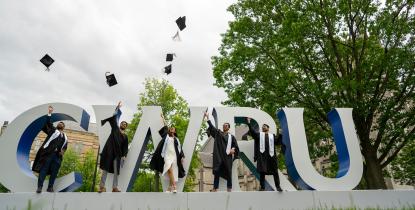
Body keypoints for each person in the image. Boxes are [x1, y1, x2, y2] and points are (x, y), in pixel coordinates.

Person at [32, 106, 68, 193]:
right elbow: (48, 122)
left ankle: (50, 187)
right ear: (57, 126)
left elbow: (65, 146)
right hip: (48, 154)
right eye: (59, 123)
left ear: (64, 127)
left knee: (54, 172)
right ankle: (40, 187)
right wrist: (50, 112)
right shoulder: (53, 130)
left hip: (57, 156)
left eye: (62, 124)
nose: (60, 123)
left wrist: (62, 151)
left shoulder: (65, 137)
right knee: (44, 169)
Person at [204, 111, 239, 192]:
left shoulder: (231, 137)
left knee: (228, 171)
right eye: (223, 125)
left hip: (227, 156)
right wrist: (208, 118)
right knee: (217, 171)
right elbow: (212, 127)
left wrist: (233, 149)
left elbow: (235, 146)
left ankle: (229, 188)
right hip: (219, 155)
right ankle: (215, 188)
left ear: (229, 127)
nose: (224, 126)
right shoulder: (218, 133)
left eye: (226, 125)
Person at [150, 114, 185, 193]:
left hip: (174, 156)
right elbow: (166, 126)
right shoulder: (166, 136)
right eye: (171, 128)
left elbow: (180, 148)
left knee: (171, 171)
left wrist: (182, 156)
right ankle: (174, 186)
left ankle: (169, 188)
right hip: (167, 155)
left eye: (173, 129)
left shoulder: (176, 139)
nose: (171, 129)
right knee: (169, 168)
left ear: (175, 131)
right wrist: (163, 118)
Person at [98, 101, 129, 192]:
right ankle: (101, 187)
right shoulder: (115, 129)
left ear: (126, 127)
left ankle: (114, 187)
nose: (123, 124)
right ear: (120, 125)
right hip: (110, 151)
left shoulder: (125, 136)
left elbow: (125, 147)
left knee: (116, 171)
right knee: (105, 169)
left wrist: (124, 155)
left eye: (125, 124)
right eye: (122, 123)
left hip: (118, 154)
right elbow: (114, 117)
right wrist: (117, 108)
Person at [247, 118, 284, 192]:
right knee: (262, 172)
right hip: (262, 156)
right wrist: (249, 123)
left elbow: (277, 143)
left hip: (271, 156)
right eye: (262, 126)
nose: (263, 127)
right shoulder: (259, 135)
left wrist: (280, 135)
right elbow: (253, 132)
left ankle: (278, 186)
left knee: (275, 171)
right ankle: (262, 187)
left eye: (265, 126)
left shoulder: (272, 136)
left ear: (268, 128)